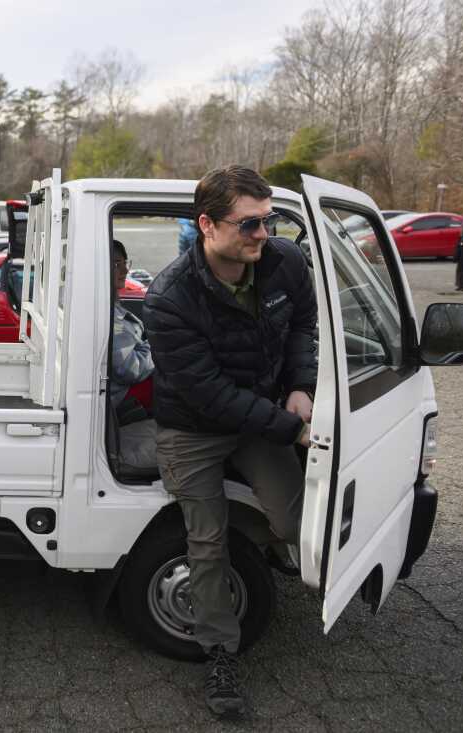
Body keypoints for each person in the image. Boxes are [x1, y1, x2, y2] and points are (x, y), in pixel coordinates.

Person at [142, 166, 317, 719]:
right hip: (192, 428)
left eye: (269, 221)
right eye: (249, 225)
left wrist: (300, 386)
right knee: (207, 542)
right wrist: (289, 426)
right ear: (207, 225)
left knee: (301, 525)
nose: (263, 235)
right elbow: (209, 395)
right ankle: (219, 649)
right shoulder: (169, 297)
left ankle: (270, 549)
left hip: (261, 415)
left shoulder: (285, 261)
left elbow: (303, 325)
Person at [110, 240, 158, 469]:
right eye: (117, 263)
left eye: (124, 262)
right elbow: (130, 368)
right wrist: (160, 346)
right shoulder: (106, 313)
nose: (125, 270)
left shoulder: (112, 304)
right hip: (123, 401)